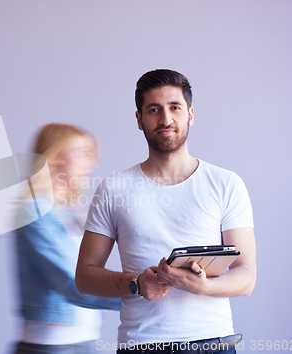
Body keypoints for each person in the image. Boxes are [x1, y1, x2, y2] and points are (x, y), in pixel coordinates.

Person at [75, 69, 256, 354]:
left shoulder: (226, 184)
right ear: (139, 119)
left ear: (191, 114)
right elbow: (84, 277)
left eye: (175, 107)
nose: (166, 119)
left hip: (213, 343)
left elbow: (246, 276)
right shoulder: (113, 189)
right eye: (154, 109)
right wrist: (135, 283)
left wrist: (203, 287)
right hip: (142, 345)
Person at [13, 123, 122, 354]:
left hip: (81, 341)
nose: (91, 164)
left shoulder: (69, 211)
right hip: (50, 345)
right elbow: (72, 284)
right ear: (54, 157)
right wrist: (138, 293)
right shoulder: (33, 211)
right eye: (81, 153)